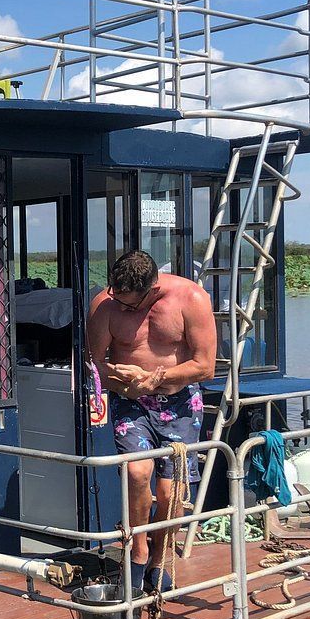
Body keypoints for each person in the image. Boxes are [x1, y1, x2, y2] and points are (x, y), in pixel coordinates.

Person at [86, 250, 217, 594]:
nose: (124, 310)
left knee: (170, 490)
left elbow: (205, 366)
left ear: (153, 289)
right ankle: (138, 551)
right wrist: (122, 379)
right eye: (120, 303)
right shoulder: (105, 305)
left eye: (131, 306)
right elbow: (95, 364)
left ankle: (160, 557)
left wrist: (155, 378)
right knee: (136, 472)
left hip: (180, 404)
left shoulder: (191, 298)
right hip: (130, 403)